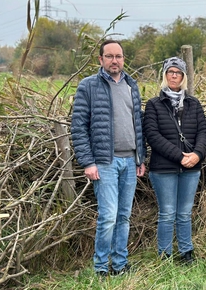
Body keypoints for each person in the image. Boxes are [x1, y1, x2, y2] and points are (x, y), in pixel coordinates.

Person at [71, 39, 146, 276]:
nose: (115, 61)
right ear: (101, 60)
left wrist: (140, 158)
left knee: (124, 216)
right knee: (108, 217)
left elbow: (138, 125)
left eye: (119, 56)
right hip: (105, 162)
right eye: (110, 56)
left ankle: (120, 264)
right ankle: (101, 267)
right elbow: (79, 127)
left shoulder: (131, 86)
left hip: (129, 161)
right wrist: (88, 162)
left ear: (124, 59)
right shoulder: (89, 86)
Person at [143, 57, 206, 265]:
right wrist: (180, 157)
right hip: (163, 169)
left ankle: (186, 252)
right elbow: (153, 136)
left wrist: (197, 154)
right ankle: (165, 255)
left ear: (183, 77)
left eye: (178, 72)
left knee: (185, 213)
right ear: (164, 75)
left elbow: (204, 132)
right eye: (170, 72)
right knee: (167, 213)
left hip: (192, 167)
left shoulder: (193, 103)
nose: (174, 75)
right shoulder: (154, 104)